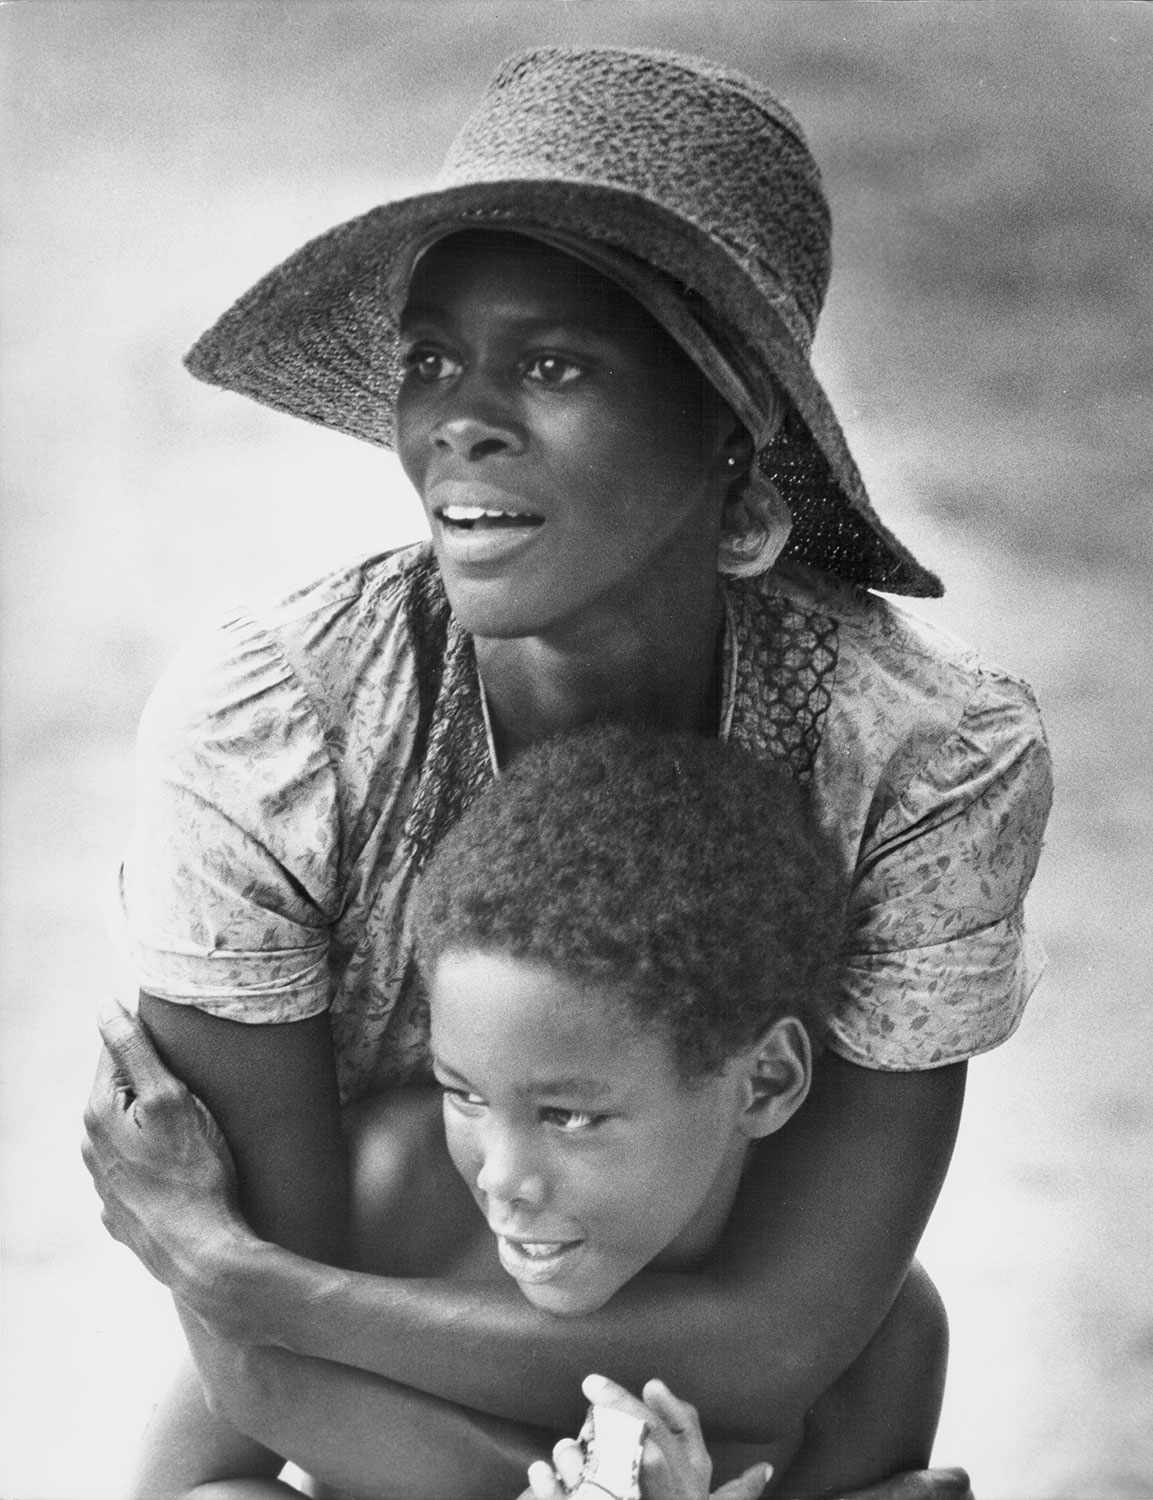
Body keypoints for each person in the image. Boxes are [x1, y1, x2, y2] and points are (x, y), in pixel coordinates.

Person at [83, 43, 1049, 1500]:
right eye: (430, 359)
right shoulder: (274, 722)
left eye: (551, 363)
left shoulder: (918, 759)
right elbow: (257, 1376)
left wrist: (223, 1264)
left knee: (879, 1406)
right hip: (355, 1385)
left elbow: (796, 1339)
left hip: (700, 1383)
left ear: (736, 445)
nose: (455, 419)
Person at [88, 726, 960, 1499]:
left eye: (570, 1117)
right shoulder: (389, 1194)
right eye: (464, 1093)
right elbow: (191, 1483)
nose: (503, 1180)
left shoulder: (871, 1341)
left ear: (763, 1083)